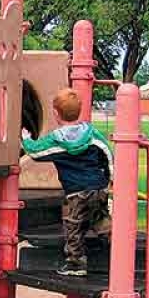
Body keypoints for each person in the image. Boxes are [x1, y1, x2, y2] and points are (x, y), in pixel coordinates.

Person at [21, 88, 113, 276]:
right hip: (99, 187)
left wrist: (26, 138)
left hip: (77, 193)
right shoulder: (92, 134)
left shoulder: (58, 141)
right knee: (100, 218)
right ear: (79, 110)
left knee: (74, 225)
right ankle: (117, 250)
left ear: (55, 113)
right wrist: (111, 178)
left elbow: (36, 153)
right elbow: (107, 153)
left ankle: (76, 263)